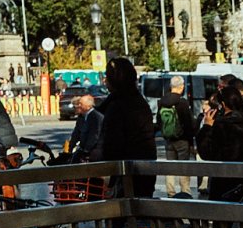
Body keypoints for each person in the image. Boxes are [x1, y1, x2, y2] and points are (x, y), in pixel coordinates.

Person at [99, 56, 157, 198]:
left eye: (107, 76)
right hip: (145, 171)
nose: (105, 81)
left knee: (124, 215)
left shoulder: (117, 105)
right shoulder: (138, 101)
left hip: (127, 175)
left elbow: (112, 147)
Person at [196, 86, 243, 202]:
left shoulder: (221, 125)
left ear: (222, 104)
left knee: (224, 215)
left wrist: (206, 127)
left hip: (225, 179)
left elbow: (206, 152)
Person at [157, 74, 197, 198]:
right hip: (182, 139)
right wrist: (191, 142)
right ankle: (185, 191)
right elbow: (188, 123)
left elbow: (159, 120)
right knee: (184, 166)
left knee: (170, 166)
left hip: (169, 139)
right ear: (182, 86)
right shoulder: (182, 102)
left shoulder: (162, 101)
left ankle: (170, 191)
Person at [66, 93, 105, 162]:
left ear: (88, 106)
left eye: (81, 104)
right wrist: (70, 148)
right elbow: (76, 134)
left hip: (94, 152)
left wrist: (85, 151)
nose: (79, 105)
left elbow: (94, 136)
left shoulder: (96, 117)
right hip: (84, 150)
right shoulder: (82, 117)